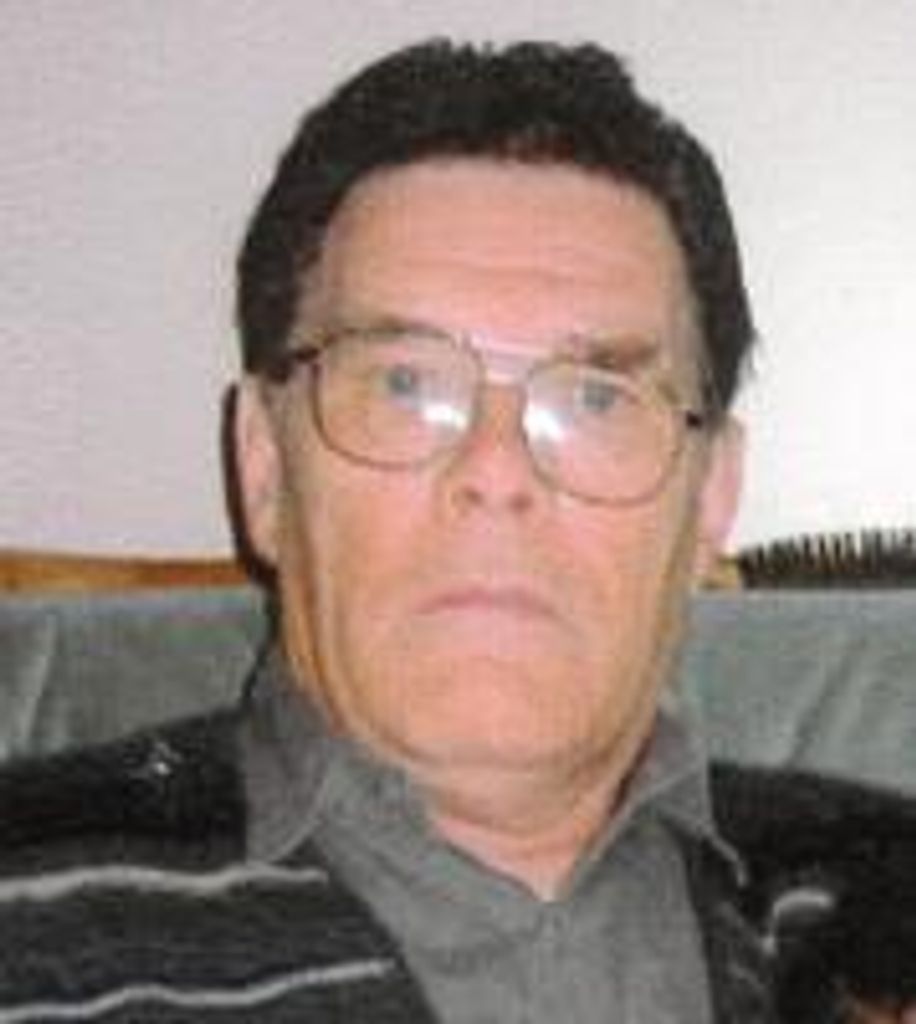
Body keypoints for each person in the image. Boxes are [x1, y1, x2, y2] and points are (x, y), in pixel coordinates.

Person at [2, 36, 907, 1024]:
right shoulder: (31, 916)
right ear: (264, 467)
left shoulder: (872, 899)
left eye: (596, 398)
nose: (495, 471)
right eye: (405, 384)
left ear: (710, 498)